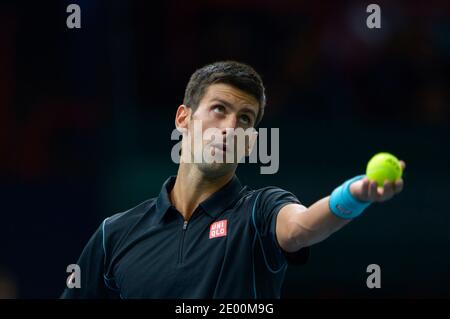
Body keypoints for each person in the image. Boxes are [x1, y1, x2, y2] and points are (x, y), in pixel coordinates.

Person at [61, 61, 405, 298]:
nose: (231, 128)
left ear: (252, 142)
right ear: (184, 118)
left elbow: (300, 228)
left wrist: (354, 195)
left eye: (245, 119)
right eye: (219, 109)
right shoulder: (114, 234)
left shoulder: (260, 210)